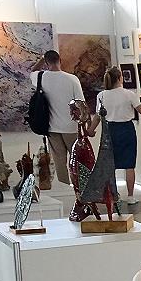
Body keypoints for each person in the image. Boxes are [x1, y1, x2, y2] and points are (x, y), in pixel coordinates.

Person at [90, 66, 141, 204]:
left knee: (110, 164)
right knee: (129, 164)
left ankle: (114, 196)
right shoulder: (128, 94)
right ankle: (130, 196)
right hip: (127, 130)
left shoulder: (101, 95)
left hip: (109, 131)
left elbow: (97, 116)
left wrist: (90, 130)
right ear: (120, 78)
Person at [31, 50, 85, 185]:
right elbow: (80, 103)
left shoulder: (41, 77)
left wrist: (42, 59)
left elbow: (33, 70)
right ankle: (80, 186)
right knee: (77, 160)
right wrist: (85, 125)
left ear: (46, 62)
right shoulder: (72, 79)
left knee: (59, 161)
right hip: (71, 126)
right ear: (60, 60)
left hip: (52, 127)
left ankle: (65, 188)